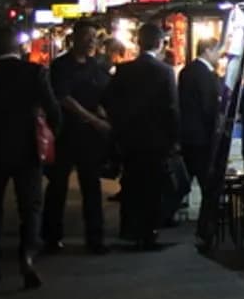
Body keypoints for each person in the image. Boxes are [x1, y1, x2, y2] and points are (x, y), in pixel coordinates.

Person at [0, 28, 61, 288]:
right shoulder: (35, 72)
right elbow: (54, 111)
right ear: (19, 48)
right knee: (31, 207)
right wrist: (50, 134)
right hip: (28, 149)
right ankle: (27, 256)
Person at [102, 22, 179, 249]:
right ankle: (149, 233)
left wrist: (120, 123)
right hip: (156, 140)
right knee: (153, 187)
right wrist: (174, 139)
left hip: (129, 139)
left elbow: (107, 100)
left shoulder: (124, 70)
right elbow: (172, 108)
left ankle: (130, 229)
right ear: (159, 43)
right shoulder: (164, 72)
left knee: (132, 184)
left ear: (138, 42)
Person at [41, 20, 112, 254]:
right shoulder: (61, 66)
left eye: (94, 36)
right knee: (58, 186)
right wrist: (93, 119)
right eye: (87, 36)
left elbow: (105, 93)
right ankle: (51, 237)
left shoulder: (97, 66)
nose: (91, 40)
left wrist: (103, 113)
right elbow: (63, 98)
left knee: (91, 187)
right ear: (76, 38)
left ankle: (95, 238)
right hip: (66, 133)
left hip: (90, 138)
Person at [180, 38, 222, 244]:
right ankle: (206, 227)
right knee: (209, 184)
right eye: (217, 51)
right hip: (202, 138)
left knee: (188, 180)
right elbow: (209, 108)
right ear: (208, 50)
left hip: (188, 136)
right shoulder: (205, 75)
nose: (219, 56)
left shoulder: (187, 71)